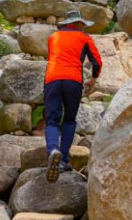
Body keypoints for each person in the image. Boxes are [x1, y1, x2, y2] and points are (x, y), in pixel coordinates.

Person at [44, 10, 103, 182]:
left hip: (52, 79)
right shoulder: (84, 38)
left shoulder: (53, 37)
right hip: (73, 81)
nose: (83, 29)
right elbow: (97, 62)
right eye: (83, 26)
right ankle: (62, 159)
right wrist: (93, 79)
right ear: (78, 25)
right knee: (69, 120)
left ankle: (53, 150)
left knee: (52, 120)